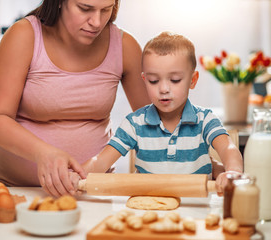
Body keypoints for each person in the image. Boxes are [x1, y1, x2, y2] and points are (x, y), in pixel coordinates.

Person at [0, 0, 150, 197]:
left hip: (96, 192)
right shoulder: (23, 35)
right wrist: (42, 153)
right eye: (85, 8)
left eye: (106, 10)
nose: (96, 22)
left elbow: (150, 125)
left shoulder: (124, 46)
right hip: (18, 192)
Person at [71, 31, 243, 194]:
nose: (163, 89)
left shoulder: (205, 120)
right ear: (144, 80)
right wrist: (76, 175)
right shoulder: (134, 124)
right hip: (147, 210)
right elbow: (100, 161)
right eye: (154, 81)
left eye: (175, 80)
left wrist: (232, 171)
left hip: (197, 210)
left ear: (193, 80)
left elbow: (228, 148)